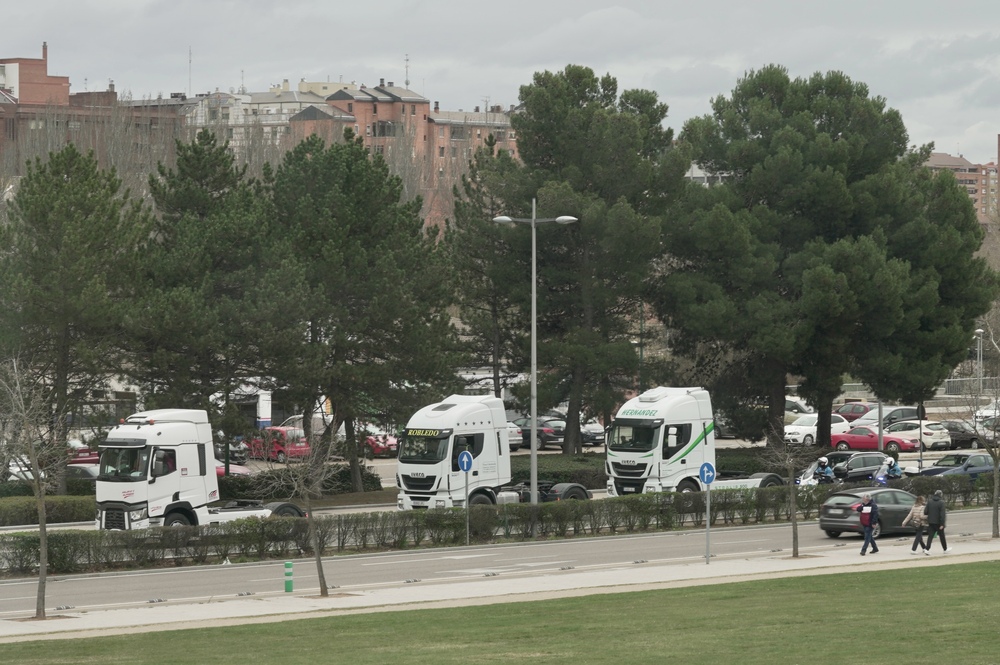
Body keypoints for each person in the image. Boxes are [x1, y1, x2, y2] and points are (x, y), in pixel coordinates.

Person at [924, 489, 950, 553]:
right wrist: (942, 524)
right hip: (938, 523)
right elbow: (942, 514)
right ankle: (945, 549)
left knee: (930, 536)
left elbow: (925, 512)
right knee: (942, 536)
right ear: (941, 495)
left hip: (931, 522)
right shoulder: (941, 503)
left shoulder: (929, 501)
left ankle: (927, 549)